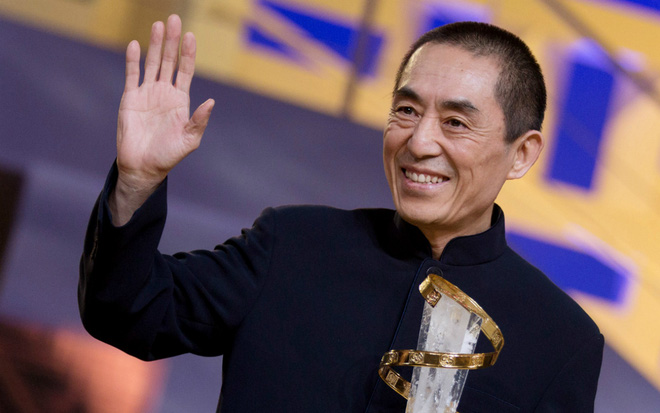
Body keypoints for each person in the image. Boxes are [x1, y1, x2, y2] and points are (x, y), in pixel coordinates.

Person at [78, 14, 604, 412]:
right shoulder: (293, 243)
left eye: (455, 123)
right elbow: (129, 311)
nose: (419, 141)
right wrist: (137, 180)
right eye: (406, 111)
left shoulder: (560, 339)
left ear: (522, 153)